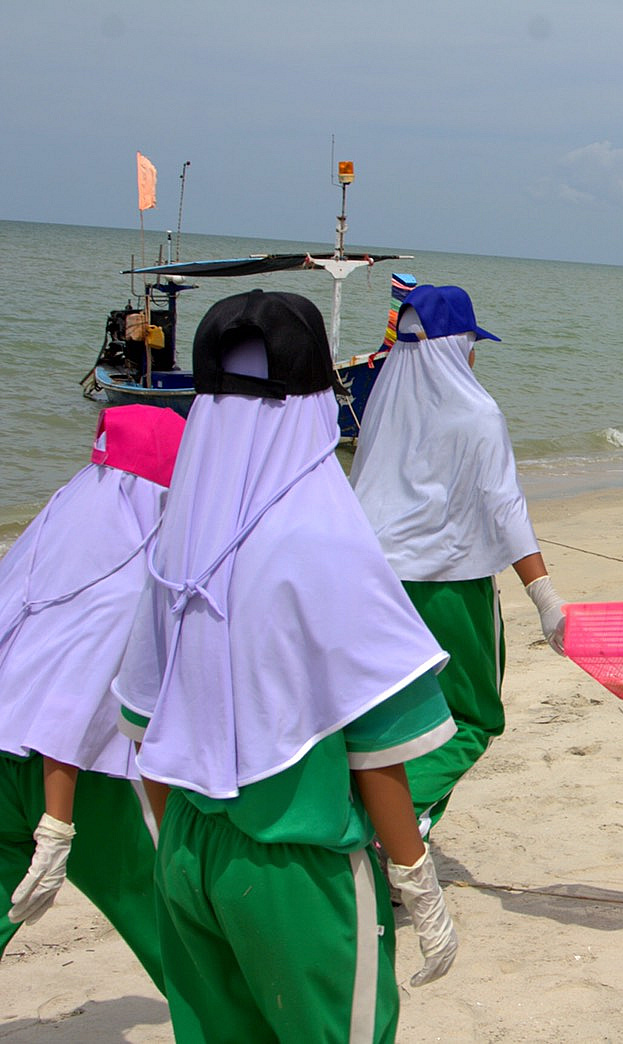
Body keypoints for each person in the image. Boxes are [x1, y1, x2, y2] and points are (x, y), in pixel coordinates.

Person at [113, 290, 459, 1040]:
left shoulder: (181, 535)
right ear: (316, 401)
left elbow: (143, 723)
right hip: (295, 866)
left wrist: (183, 852)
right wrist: (416, 878)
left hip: (188, 846)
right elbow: (377, 749)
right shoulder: (324, 538)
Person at [350, 286, 569, 834]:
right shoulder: (478, 413)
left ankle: (402, 828)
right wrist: (545, 598)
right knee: (471, 720)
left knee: (388, 723)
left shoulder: (380, 406)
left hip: (369, 581)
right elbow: (504, 506)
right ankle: (387, 826)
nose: (474, 357)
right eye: (472, 345)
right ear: (457, 348)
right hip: (448, 586)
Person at [0, 405, 183, 989]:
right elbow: (71, 707)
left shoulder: (45, 542)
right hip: (78, 779)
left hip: (4, 753)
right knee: (172, 922)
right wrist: (58, 825)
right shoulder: (130, 577)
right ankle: (232, 1023)